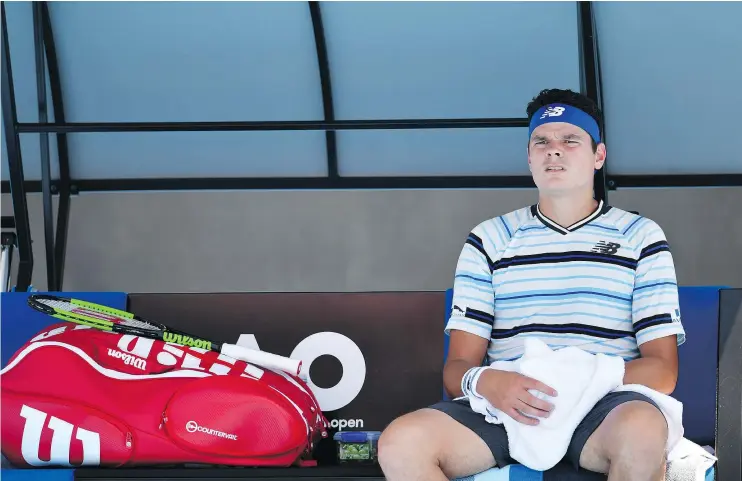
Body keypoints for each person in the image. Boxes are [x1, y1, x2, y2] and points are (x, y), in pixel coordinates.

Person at [377, 88, 686, 481]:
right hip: (507, 409)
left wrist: (578, 377)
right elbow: (458, 368)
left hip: (606, 407)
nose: (553, 151)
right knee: (400, 443)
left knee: (642, 432)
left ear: (598, 156)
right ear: (529, 156)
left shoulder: (640, 236)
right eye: (541, 141)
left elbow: (662, 371)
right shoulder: (489, 238)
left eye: (570, 140)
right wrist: (489, 381)